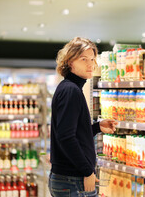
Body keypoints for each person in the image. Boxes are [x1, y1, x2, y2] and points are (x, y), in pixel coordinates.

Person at [49, 37, 118, 197]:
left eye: (92, 59)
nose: (90, 64)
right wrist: (87, 172)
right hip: (73, 179)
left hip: (68, 178)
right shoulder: (71, 91)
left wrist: (96, 127)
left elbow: (71, 132)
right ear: (70, 62)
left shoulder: (69, 88)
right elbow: (65, 137)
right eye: (83, 59)